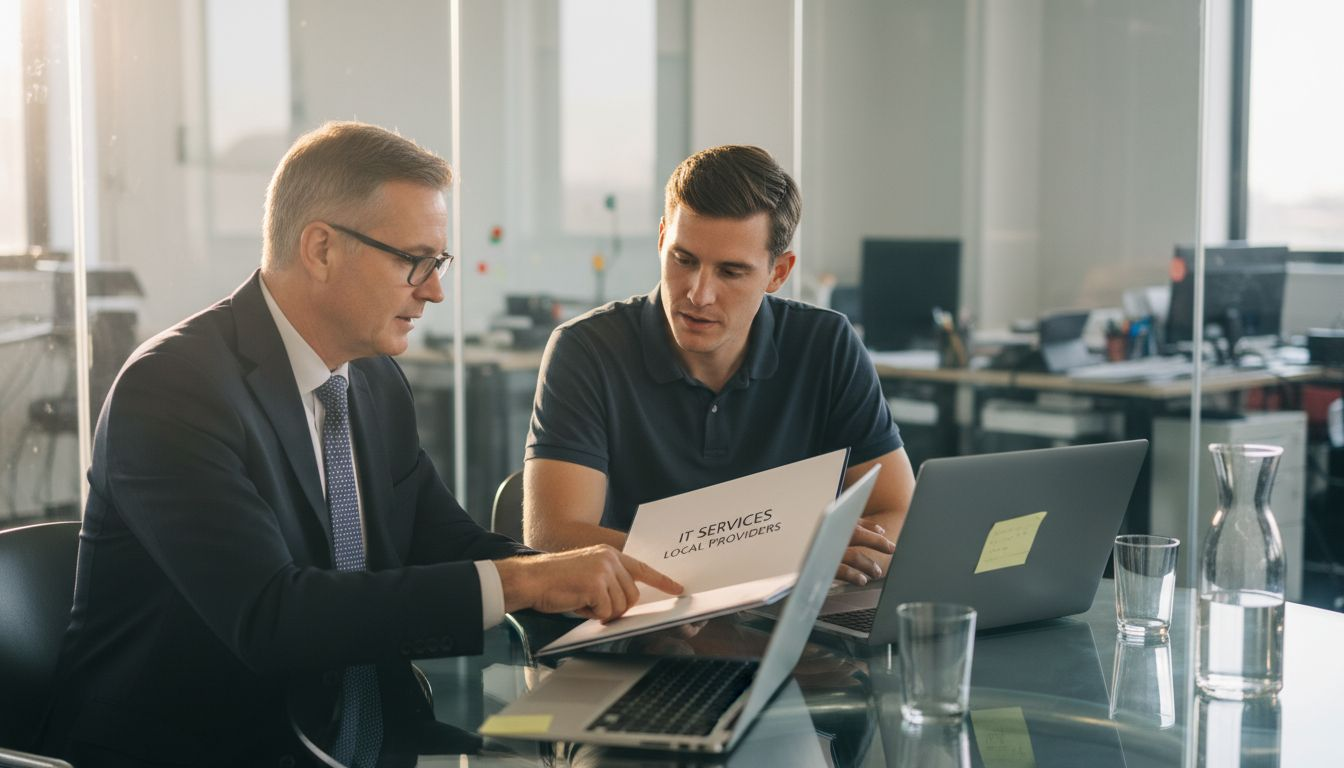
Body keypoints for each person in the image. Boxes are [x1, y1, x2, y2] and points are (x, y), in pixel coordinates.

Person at [39, 121, 680, 768]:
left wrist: (618, 600)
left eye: (440, 263)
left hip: (382, 741)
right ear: (320, 248)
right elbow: (272, 617)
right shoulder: (174, 390)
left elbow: (449, 547)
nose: (435, 289)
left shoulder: (372, 380)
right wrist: (523, 581)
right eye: (415, 261)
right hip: (216, 749)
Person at [524, 144, 917, 586]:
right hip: (640, 624)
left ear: (778, 273)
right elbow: (554, 538)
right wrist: (773, 556)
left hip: (792, 622)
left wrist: (842, 558)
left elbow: (898, 510)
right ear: (660, 240)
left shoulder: (826, 344)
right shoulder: (586, 349)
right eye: (683, 259)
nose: (698, 294)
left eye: (731, 272)